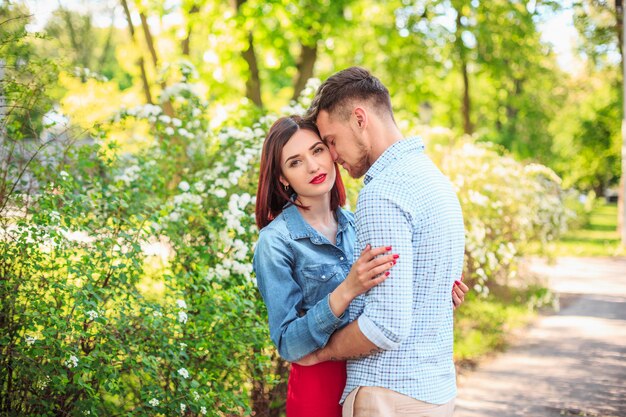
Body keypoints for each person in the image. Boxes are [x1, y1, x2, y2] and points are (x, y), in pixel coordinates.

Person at [253, 115, 467, 417]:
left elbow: (386, 305)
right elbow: (288, 343)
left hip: (372, 372)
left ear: (331, 151)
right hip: (319, 382)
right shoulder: (275, 242)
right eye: (295, 162)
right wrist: (346, 290)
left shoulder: (358, 224)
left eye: (317, 150)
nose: (313, 166)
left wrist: (435, 293)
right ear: (283, 179)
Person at [298, 67, 466, 417]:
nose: (332, 155)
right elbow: (430, 290)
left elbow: (386, 326)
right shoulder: (434, 179)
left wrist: (324, 351)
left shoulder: (382, 193)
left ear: (360, 118)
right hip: (435, 391)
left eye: (330, 140)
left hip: (388, 396)